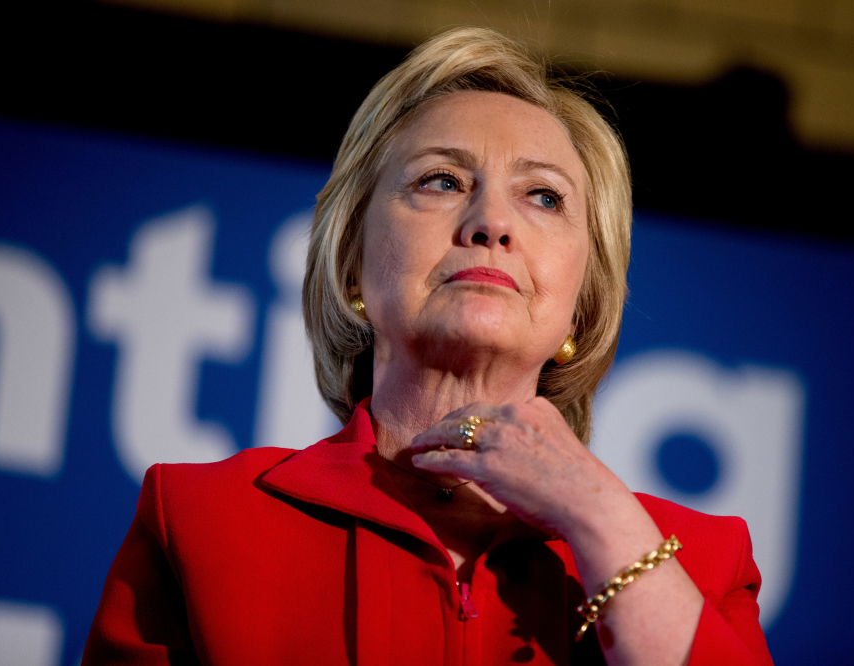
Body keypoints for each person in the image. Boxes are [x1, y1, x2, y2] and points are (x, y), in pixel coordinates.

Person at [83, 27, 772, 666]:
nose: (491, 222)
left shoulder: (703, 565)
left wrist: (602, 522)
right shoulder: (206, 522)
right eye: (440, 181)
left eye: (543, 197)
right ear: (351, 260)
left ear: (581, 305)